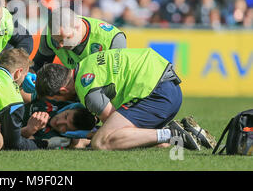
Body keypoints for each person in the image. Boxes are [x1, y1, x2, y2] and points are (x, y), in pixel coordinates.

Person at [35, 48, 216, 151]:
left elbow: (114, 128)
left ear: (63, 89)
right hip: (170, 87)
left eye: (58, 98)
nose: (62, 102)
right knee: (133, 135)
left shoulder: (87, 92)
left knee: (101, 142)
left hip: (158, 96)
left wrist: (84, 139)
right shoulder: (86, 62)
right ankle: (190, 131)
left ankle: (171, 134)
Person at [32, 7, 126, 72]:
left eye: (65, 39)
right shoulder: (49, 34)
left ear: (77, 27)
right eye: (56, 40)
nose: (60, 45)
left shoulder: (113, 40)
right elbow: (38, 66)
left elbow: (116, 81)